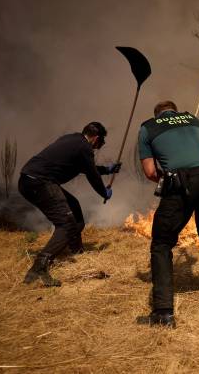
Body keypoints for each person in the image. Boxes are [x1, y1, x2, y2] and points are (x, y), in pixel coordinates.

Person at [138, 100, 199, 328]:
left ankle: (163, 312)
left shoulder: (148, 127)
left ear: (157, 114)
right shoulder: (193, 119)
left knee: (161, 243)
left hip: (185, 180)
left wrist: (164, 179)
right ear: (174, 111)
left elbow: (149, 171)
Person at [19, 122, 118, 287]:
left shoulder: (72, 140)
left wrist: (106, 170)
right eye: (101, 143)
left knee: (74, 208)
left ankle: (76, 250)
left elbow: (84, 167)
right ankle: (39, 268)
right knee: (66, 224)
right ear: (96, 139)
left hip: (28, 180)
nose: (99, 147)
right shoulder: (84, 147)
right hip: (40, 183)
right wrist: (103, 192)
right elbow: (92, 175)